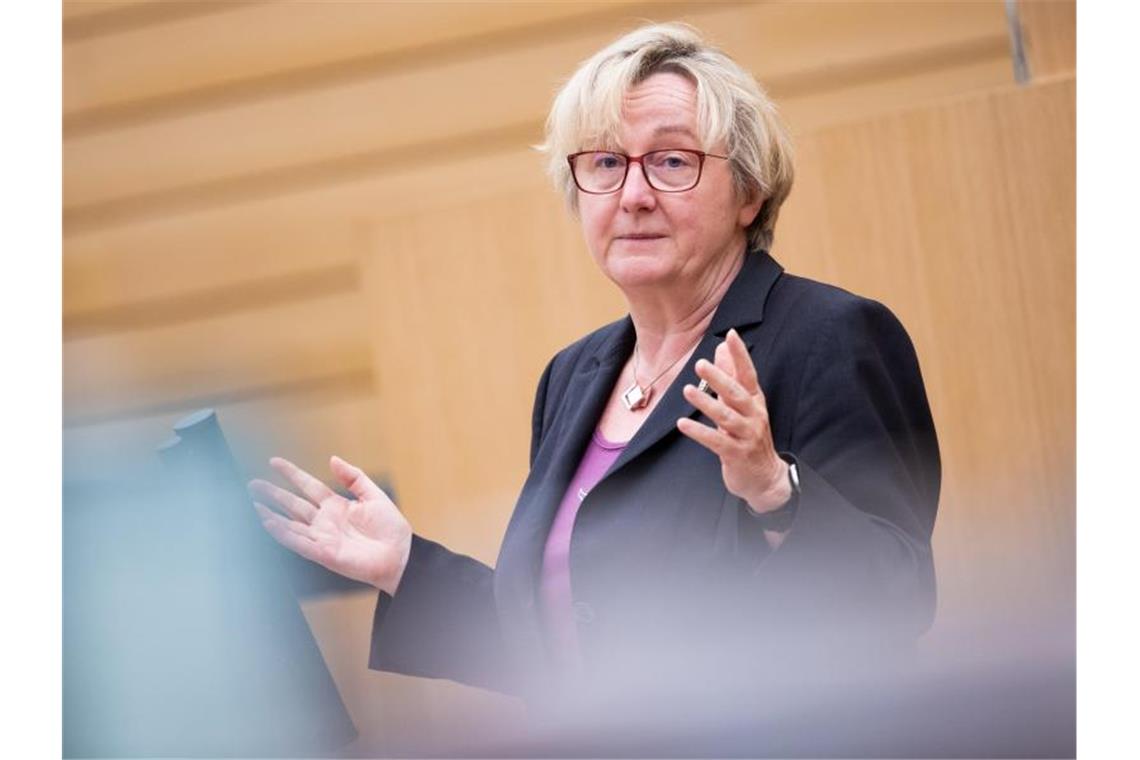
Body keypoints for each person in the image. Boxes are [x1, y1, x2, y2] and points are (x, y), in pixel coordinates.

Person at [247, 22, 940, 747]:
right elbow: (565, 646)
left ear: (749, 192)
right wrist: (406, 567)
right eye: (606, 162)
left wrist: (774, 490)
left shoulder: (829, 338)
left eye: (671, 161)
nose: (633, 194)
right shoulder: (574, 377)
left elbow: (895, 599)